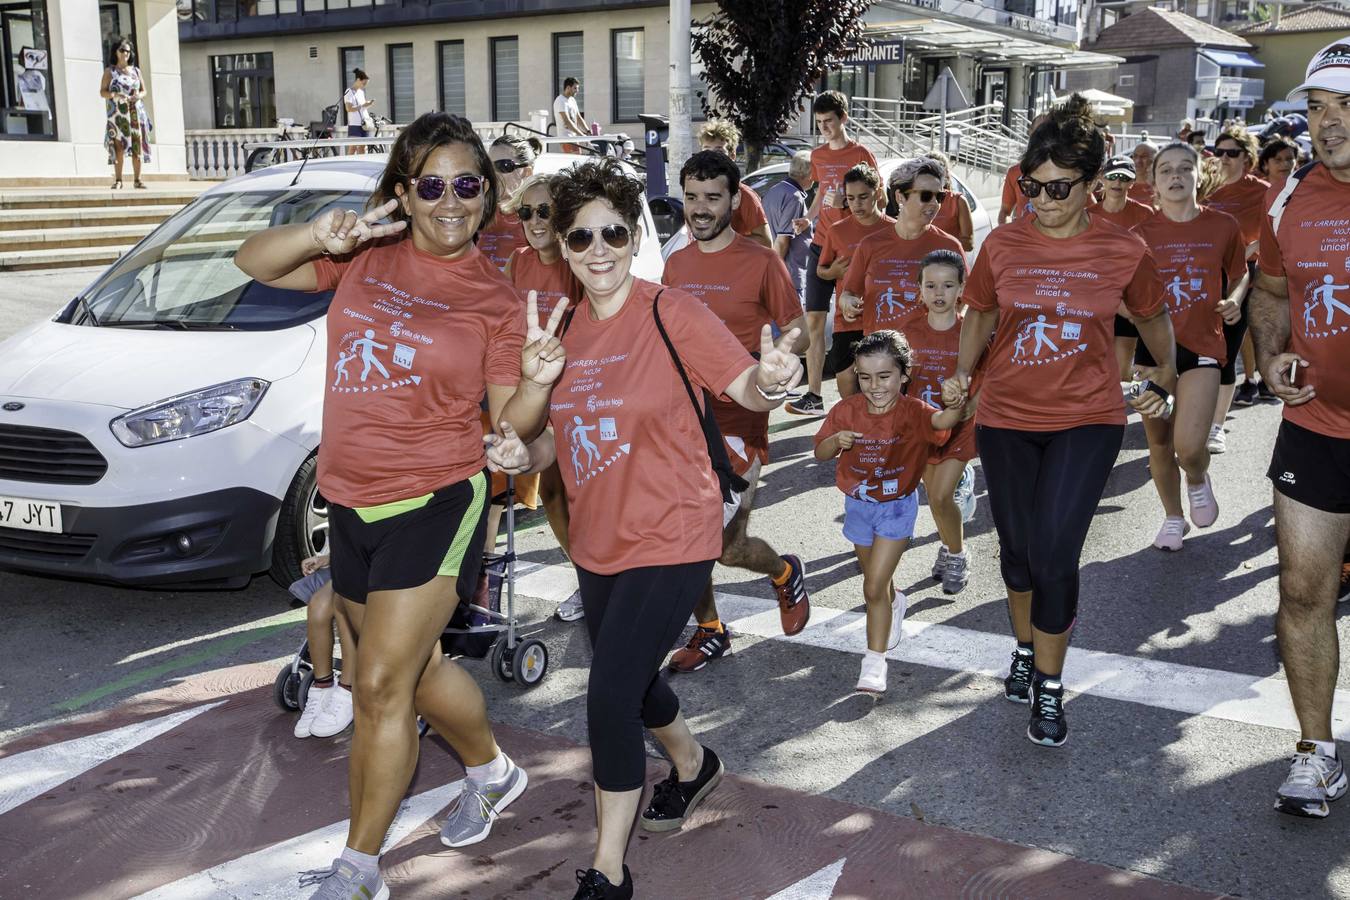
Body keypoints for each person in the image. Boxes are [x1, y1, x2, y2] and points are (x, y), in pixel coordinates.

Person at [236, 112, 562, 900]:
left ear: (487, 195)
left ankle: (358, 870)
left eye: (468, 185)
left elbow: (507, 425)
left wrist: (537, 384)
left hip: (436, 502)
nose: (451, 200)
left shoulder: (492, 296)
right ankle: (491, 770)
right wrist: (321, 233)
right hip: (349, 497)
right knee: (418, 674)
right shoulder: (364, 257)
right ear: (404, 193)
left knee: (377, 683)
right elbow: (252, 262)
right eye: (432, 184)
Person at [483, 157, 804, 899]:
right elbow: (551, 441)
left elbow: (744, 384)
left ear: (635, 238)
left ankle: (607, 870)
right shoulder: (560, 337)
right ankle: (694, 766)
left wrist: (772, 381)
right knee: (637, 682)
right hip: (599, 543)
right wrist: (516, 446)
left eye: (613, 234)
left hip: (677, 532)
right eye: (580, 236)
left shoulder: (671, 311)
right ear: (561, 246)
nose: (598, 250)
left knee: (606, 696)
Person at [942, 94, 1176, 749]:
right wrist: (962, 377)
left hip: (1088, 418)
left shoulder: (1124, 250)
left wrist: (1166, 373)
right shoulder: (1003, 244)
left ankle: (1048, 686)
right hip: (1006, 416)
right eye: (1029, 185)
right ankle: (1024, 648)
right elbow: (980, 314)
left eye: (1056, 188)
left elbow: (1153, 315)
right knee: (1016, 554)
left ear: (1093, 184)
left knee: (1053, 553)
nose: (1039, 199)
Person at [1246, 41, 1350, 819]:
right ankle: (1316, 753)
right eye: (1318, 107)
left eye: (1346, 106)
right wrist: (1275, 353)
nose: (1329, 123)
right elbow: (1273, 293)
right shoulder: (1290, 202)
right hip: (1316, 424)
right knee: (1303, 589)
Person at [662, 150, 811, 674]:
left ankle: (783, 570)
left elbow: (801, 328)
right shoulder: (676, 262)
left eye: (712, 197)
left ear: (733, 199)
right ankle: (710, 629)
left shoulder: (760, 260)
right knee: (687, 535)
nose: (700, 208)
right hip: (684, 416)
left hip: (742, 414)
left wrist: (781, 355)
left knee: (726, 546)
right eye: (692, 197)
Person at [814, 330, 966, 693]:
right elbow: (819, 451)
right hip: (858, 506)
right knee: (880, 587)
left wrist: (955, 402)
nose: (874, 385)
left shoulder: (913, 411)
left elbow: (942, 425)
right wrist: (836, 441)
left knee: (871, 587)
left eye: (884, 376)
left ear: (903, 375)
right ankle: (896, 602)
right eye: (865, 377)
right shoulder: (846, 410)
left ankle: (874, 662)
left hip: (897, 507)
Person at [1133, 141, 1248, 551]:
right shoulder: (1139, 235)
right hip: (1151, 356)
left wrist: (1234, 299)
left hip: (1202, 347)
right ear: (1154, 182)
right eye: (1166, 170)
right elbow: (1119, 292)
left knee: (1187, 446)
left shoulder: (1223, 226)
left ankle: (1197, 476)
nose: (1176, 176)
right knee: (1159, 443)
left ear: (1201, 176)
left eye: (1185, 168)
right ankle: (1172, 517)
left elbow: (1239, 274)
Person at [502, 173, 586, 623]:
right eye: (525, 212)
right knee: (553, 492)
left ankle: (608, 575)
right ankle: (586, 578)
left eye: (544, 212)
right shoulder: (517, 261)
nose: (534, 222)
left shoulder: (581, 257)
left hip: (580, 386)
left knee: (592, 489)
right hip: (535, 387)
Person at [793, 91, 879, 416]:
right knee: (815, 321)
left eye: (829, 121)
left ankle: (865, 398)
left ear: (843, 118)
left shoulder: (862, 153)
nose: (825, 128)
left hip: (851, 248)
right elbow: (820, 195)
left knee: (853, 322)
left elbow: (876, 200)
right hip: (820, 245)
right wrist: (808, 217)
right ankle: (814, 396)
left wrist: (847, 204)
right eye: (819, 123)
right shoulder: (818, 156)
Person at [906, 249, 981, 593]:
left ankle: (957, 554)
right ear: (919, 289)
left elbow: (993, 378)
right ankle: (948, 543)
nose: (939, 294)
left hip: (962, 427)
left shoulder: (973, 331)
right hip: (925, 427)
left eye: (948, 285)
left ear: (962, 288)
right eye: (931, 285)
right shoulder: (907, 331)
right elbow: (896, 379)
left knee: (939, 496)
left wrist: (969, 407)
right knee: (933, 495)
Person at [801, 164, 893, 408]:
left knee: (883, 390)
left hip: (884, 319)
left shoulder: (894, 229)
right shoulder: (837, 231)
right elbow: (821, 270)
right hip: (847, 321)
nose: (857, 204)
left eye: (863, 197)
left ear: (877, 192)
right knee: (847, 390)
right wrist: (833, 272)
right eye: (850, 198)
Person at [839, 158, 964, 336]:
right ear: (900, 197)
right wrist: (848, 303)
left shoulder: (949, 246)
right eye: (926, 196)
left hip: (926, 356)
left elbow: (964, 303)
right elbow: (848, 293)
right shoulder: (870, 244)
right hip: (879, 355)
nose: (935, 203)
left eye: (940, 196)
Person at [1206, 126, 1272, 451]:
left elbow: (1278, 232)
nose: (1224, 159)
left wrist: (1247, 250)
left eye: (1232, 153)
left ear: (1246, 157)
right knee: (1194, 350)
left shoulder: (1260, 190)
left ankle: (1216, 427)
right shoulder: (1205, 186)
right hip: (1200, 277)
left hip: (1240, 278)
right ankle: (1192, 417)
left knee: (1226, 353)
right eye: (1219, 152)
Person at [1094, 155, 1158, 379]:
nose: (1117, 183)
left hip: (1132, 301)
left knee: (1120, 372)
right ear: (1102, 178)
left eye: (1124, 178)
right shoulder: (1088, 216)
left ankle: (1113, 411)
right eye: (1112, 177)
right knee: (1094, 367)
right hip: (1097, 301)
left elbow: (1153, 262)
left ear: (1132, 183)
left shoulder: (1145, 214)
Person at [289, 552, 357, 739]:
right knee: (318, 606)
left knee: (345, 603)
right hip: (355, 562)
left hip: (391, 563)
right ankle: (323, 686)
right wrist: (328, 558)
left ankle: (348, 689)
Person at [697, 119, 773, 248]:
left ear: (732, 155)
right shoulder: (695, 192)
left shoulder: (743, 194)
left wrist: (724, 240)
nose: (711, 157)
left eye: (719, 151)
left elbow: (766, 241)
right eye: (706, 150)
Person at [478, 135, 539, 270]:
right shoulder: (479, 213)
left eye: (503, 166)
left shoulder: (538, 217)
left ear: (527, 172)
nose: (493, 174)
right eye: (489, 167)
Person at [762, 149, 815, 299]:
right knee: (793, 322)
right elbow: (783, 240)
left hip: (780, 272)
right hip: (788, 276)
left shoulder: (774, 190)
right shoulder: (794, 197)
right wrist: (774, 273)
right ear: (809, 173)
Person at [100, 37, 150, 189]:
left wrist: (138, 96)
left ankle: (138, 179)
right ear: (116, 51)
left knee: (137, 145)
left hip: (135, 111)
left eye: (128, 51)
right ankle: (119, 180)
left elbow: (144, 90)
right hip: (117, 114)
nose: (125, 53)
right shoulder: (110, 71)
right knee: (118, 146)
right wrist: (115, 95)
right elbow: (103, 92)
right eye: (122, 50)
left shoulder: (136, 71)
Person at [925, 149, 974, 251]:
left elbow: (969, 244)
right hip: (917, 262)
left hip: (947, 263)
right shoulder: (913, 199)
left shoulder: (958, 201)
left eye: (936, 171)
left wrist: (937, 245)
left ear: (945, 174)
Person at [342, 68, 375, 155]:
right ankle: (349, 165)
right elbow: (348, 108)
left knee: (363, 147)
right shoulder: (349, 92)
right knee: (353, 147)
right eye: (363, 83)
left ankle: (362, 166)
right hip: (354, 124)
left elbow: (362, 107)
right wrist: (362, 106)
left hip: (364, 124)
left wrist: (367, 104)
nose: (364, 85)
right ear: (358, 80)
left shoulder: (361, 92)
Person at [553, 77, 590, 141]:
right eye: (575, 88)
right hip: (566, 139)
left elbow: (579, 118)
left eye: (578, 88)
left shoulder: (572, 100)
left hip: (574, 137)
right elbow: (567, 121)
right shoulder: (560, 100)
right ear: (568, 88)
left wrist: (588, 131)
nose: (577, 90)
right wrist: (581, 135)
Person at [1129, 138, 1160, 207]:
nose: (1138, 161)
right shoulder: (1123, 187)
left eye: (1144, 156)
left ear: (1155, 160)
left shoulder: (1162, 190)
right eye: (1135, 156)